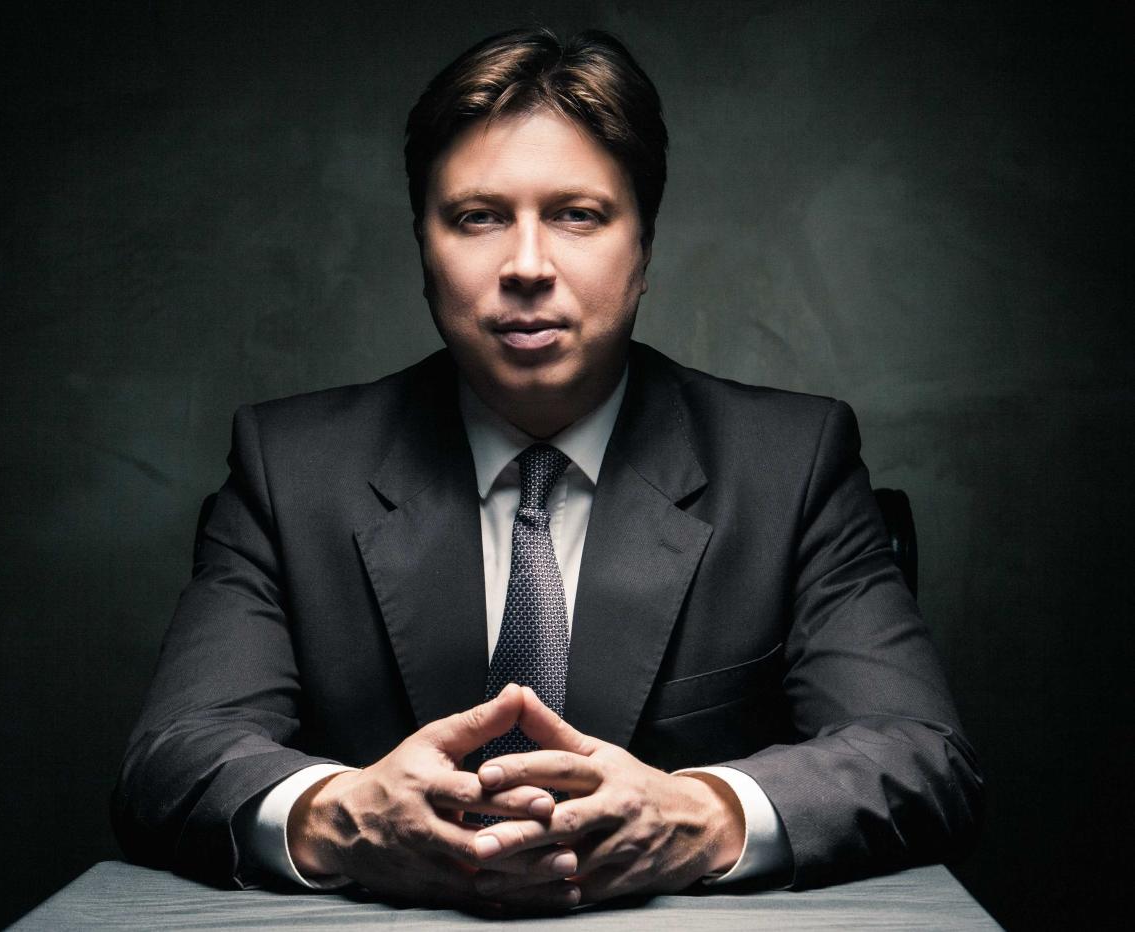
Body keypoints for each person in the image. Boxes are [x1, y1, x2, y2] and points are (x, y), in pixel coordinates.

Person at [112, 27, 982, 911]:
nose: (527, 267)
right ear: (423, 245)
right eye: (479, 217)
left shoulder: (791, 466)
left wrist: (702, 812)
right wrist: (340, 815)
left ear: (643, 248)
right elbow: (177, 751)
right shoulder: (289, 467)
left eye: (578, 215)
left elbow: (918, 750)